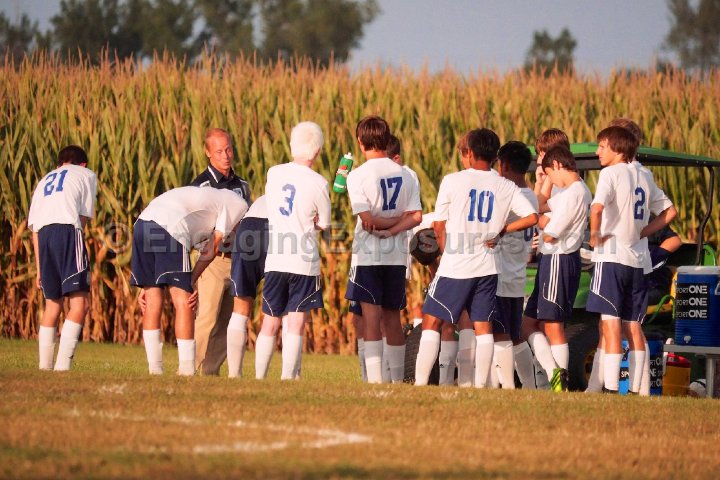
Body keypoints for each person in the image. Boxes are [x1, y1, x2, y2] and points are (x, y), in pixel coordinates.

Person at [414, 128, 538, 387]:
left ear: (469, 152)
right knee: (483, 328)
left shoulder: (452, 180)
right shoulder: (505, 185)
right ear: (495, 157)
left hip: (456, 265)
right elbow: (532, 217)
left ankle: (420, 383)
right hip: (487, 266)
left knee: (431, 321)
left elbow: (439, 226)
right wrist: (502, 231)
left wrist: (446, 252)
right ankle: (480, 385)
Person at [586, 126, 676, 394]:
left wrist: (594, 235)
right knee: (633, 325)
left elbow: (597, 208)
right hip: (637, 261)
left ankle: (612, 388)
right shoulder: (645, 174)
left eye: (602, 146)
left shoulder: (610, 173)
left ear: (617, 148)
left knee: (610, 323)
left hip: (612, 257)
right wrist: (643, 232)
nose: (597, 152)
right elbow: (670, 212)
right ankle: (640, 390)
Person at [131, 186, 248, 375]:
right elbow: (213, 247)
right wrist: (191, 281)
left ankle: (155, 370)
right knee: (185, 301)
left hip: (142, 223)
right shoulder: (239, 205)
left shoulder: (212, 208)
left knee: (152, 300)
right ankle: (187, 369)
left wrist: (145, 285)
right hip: (171, 225)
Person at [345, 116, 422, 384]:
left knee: (370, 318)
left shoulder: (357, 175)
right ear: (386, 138)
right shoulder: (407, 174)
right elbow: (416, 216)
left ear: (360, 141)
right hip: (396, 255)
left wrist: (385, 226)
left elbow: (368, 220)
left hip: (368, 255)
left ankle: (375, 381)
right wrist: (397, 225)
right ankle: (397, 381)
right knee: (393, 318)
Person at [254, 121, 331, 380]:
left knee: (270, 320)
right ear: (317, 151)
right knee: (296, 322)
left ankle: (260, 377)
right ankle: (287, 378)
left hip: (276, 258)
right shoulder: (319, 183)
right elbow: (324, 223)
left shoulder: (274, 173)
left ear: (292, 145)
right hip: (303, 261)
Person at [28, 145, 97, 371]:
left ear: (60, 164)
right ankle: (62, 366)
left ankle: (44, 366)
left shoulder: (43, 181)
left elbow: (34, 228)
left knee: (52, 304)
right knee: (80, 303)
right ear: (83, 164)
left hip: (44, 236)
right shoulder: (85, 174)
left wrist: (39, 268)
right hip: (67, 231)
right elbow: (82, 219)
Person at [190, 128, 252, 376]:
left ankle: (210, 372)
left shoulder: (242, 186)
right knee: (207, 317)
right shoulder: (200, 186)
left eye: (228, 149)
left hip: (237, 260)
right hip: (212, 260)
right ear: (208, 152)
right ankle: (191, 368)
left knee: (228, 321)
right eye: (219, 151)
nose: (225, 155)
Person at [492, 141, 539, 389]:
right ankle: (529, 386)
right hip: (518, 273)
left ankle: (508, 387)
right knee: (516, 334)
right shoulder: (531, 195)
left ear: (504, 165)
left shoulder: (508, 195)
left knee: (498, 333)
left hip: (501, 273)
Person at [226, 195, 268, 378]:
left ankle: (234, 374)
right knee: (282, 311)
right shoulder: (309, 186)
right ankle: (287, 376)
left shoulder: (267, 193)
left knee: (240, 309)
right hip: (278, 230)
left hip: (248, 227)